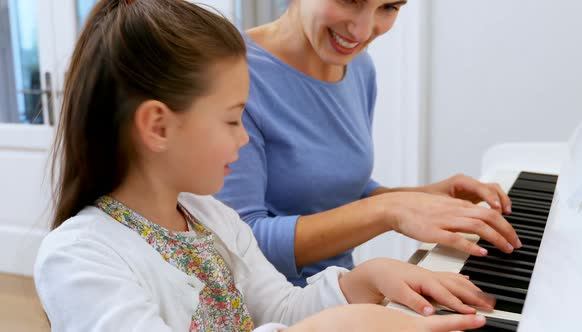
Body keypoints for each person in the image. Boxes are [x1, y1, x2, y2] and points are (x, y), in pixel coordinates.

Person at [33, 0, 492, 331]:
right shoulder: (78, 256)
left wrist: (364, 281)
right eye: (233, 118)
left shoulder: (213, 218)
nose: (247, 135)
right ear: (157, 126)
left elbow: (280, 306)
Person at [216, 0, 522, 287]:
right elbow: (237, 246)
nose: (363, 31)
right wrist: (388, 210)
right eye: (350, 0)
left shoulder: (358, 66)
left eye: (388, 6)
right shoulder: (234, 76)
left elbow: (334, 192)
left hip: (341, 293)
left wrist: (420, 198)